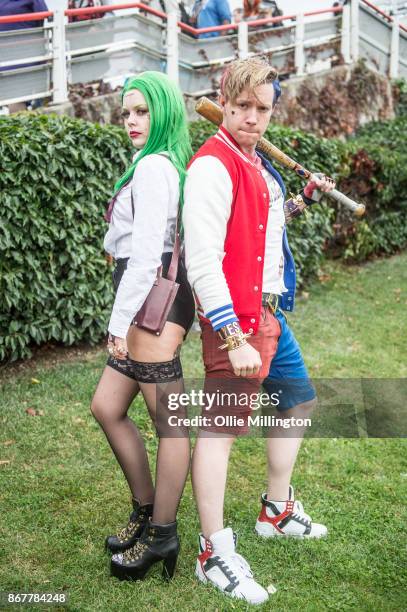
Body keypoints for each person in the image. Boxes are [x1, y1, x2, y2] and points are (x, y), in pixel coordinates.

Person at [182, 57, 335, 604]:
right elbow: (202, 260)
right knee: (219, 432)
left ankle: (276, 509)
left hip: (268, 316)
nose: (251, 118)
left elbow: (263, 225)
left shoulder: (253, 164)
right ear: (223, 102)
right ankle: (213, 550)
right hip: (236, 324)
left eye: (261, 109)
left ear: (272, 112)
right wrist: (231, 336)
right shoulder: (212, 166)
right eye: (241, 106)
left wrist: (303, 199)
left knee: (297, 401)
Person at [90, 71, 195, 582]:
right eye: (127, 112)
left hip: (153, 303)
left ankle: (163, 533)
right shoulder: (152, 161)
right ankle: (145, 509)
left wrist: (117, 320)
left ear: (164, 112)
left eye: (142, 111)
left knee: (170, 424)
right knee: (107, 407)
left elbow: (147, 255)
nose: (131, 120)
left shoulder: (155, 166)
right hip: (144, 300)